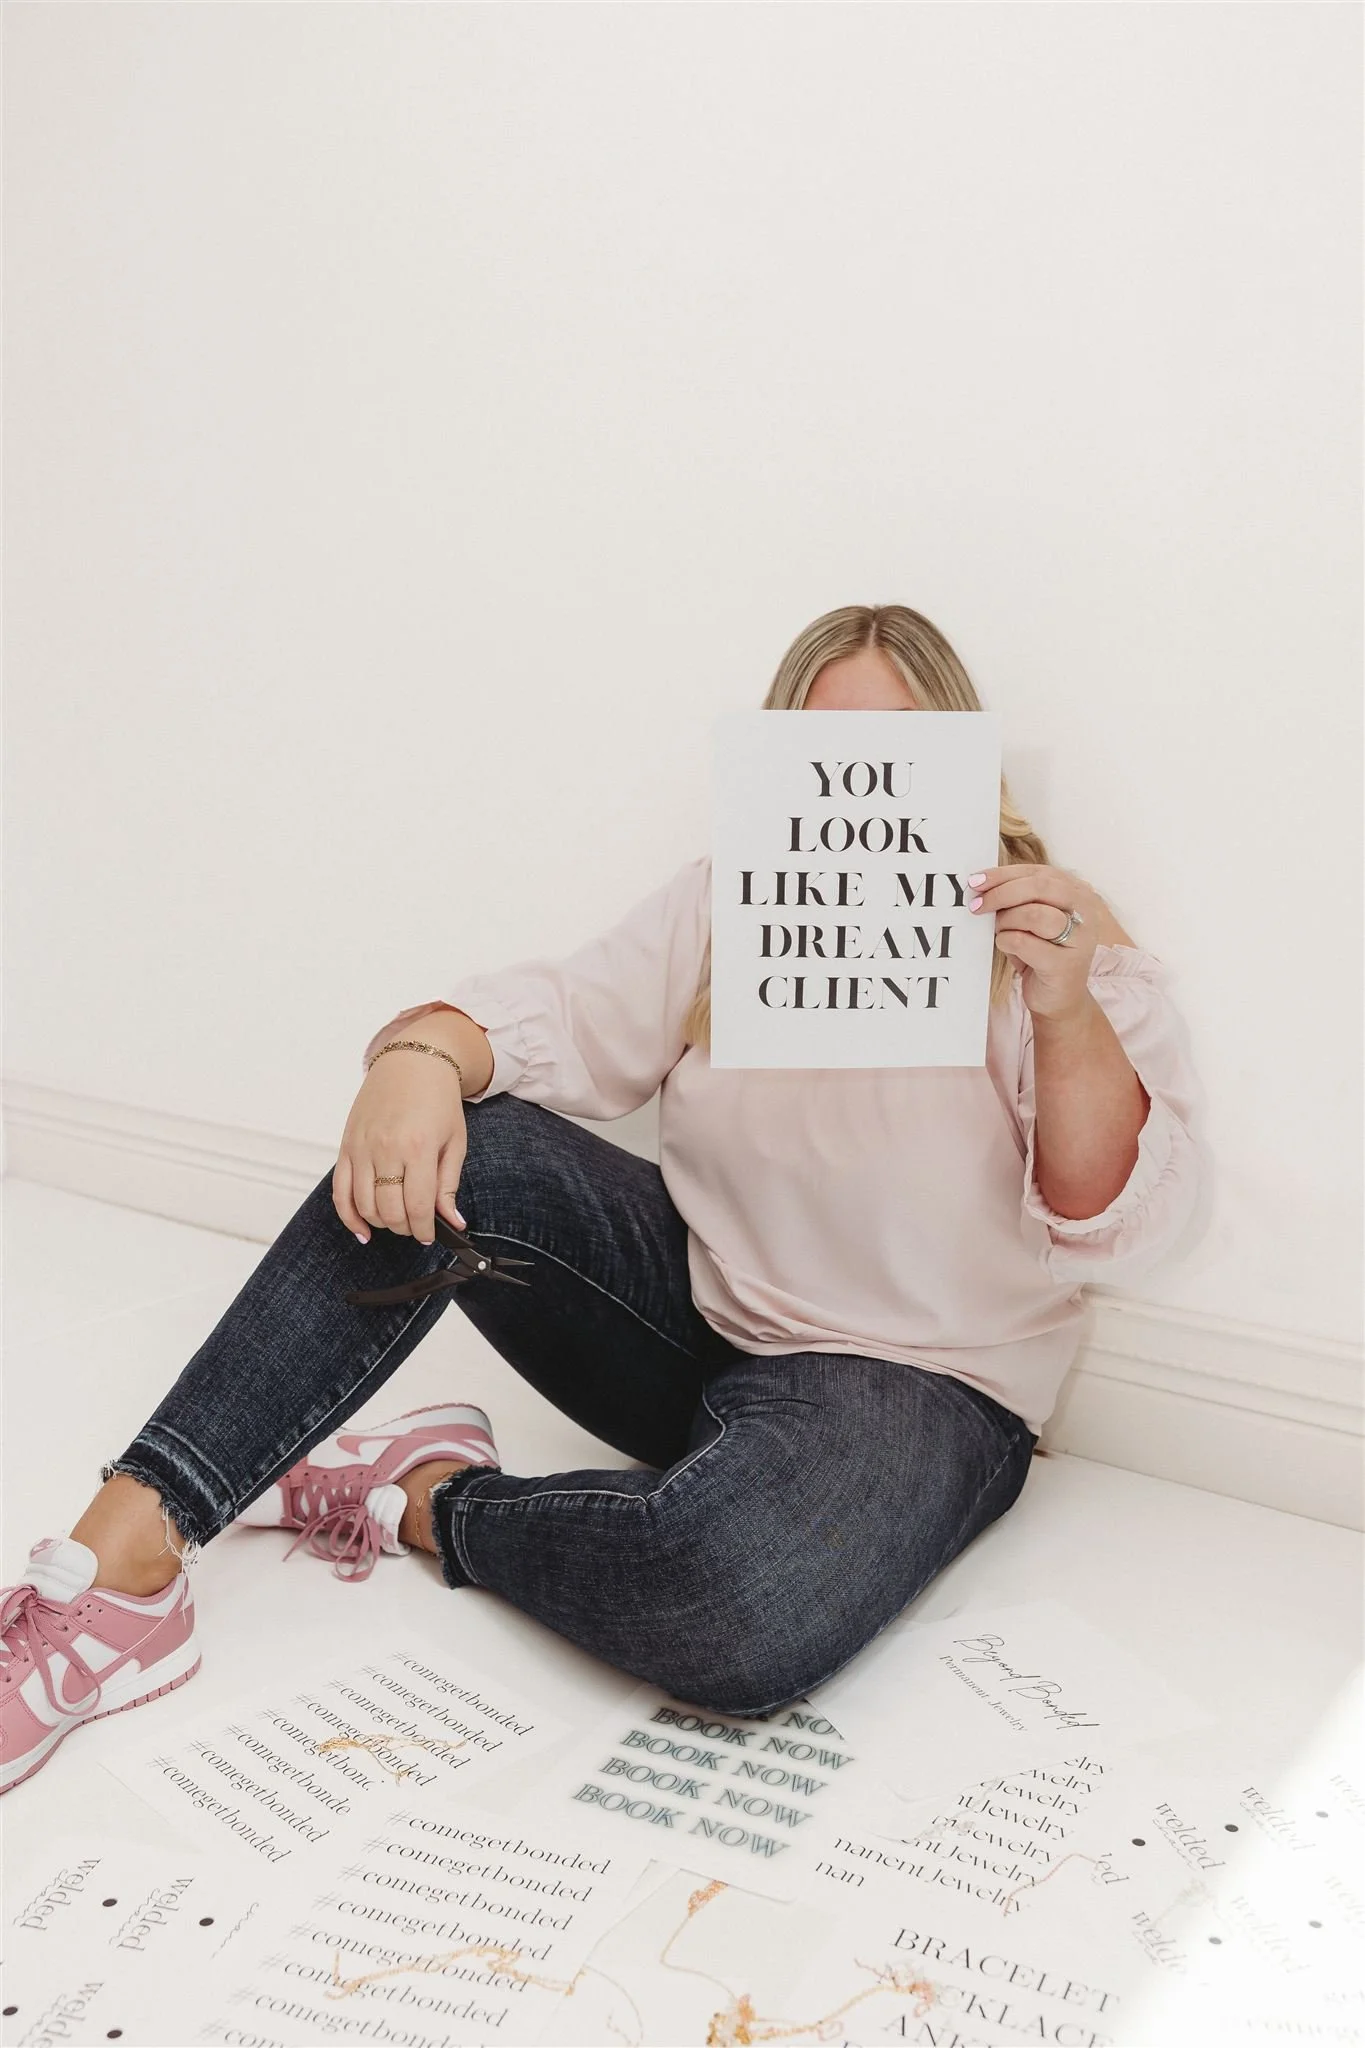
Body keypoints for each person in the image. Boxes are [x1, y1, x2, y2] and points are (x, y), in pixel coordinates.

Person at [0, 604, 1202, 1794]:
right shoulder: (727, 902)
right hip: (700, 1319)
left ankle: (418, 1496)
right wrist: (418, 1058)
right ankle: (114, 1571)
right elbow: (566, 1018)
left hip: (921, 1381)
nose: (857, 789)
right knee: (462, 1136)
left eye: (898, 753)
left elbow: (1105, 1221)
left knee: (731, 1605)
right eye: (822, 754)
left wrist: (1069, 1012)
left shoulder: (1054, 940)